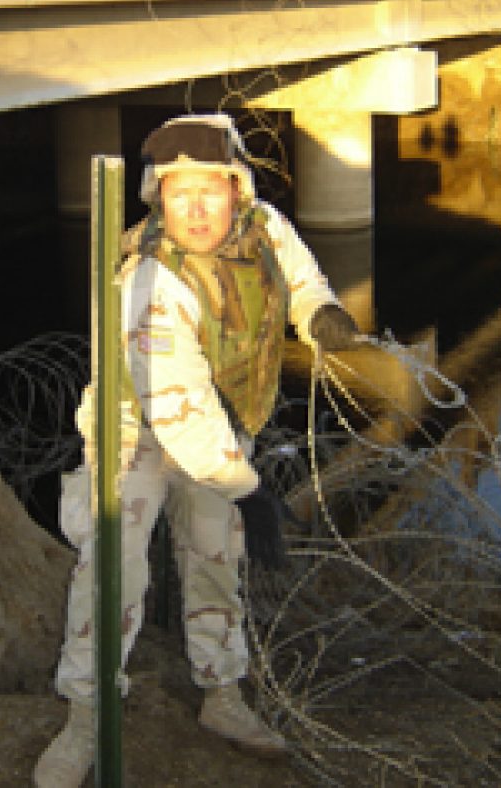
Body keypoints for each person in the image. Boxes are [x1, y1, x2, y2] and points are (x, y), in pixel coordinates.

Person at [33, 113, 359, 788]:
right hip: (140, 427)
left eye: (210, 189)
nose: (197, 209)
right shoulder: (150, 282)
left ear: (237, 191)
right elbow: (178, 409)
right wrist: (250, 489)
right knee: (113, 555)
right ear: (157, 198)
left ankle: (221, 694)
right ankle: (86, 713)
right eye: (178, 194)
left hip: (221, 423)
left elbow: (297, 274)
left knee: (215, 553)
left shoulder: (263, 226)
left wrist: (320, 312)